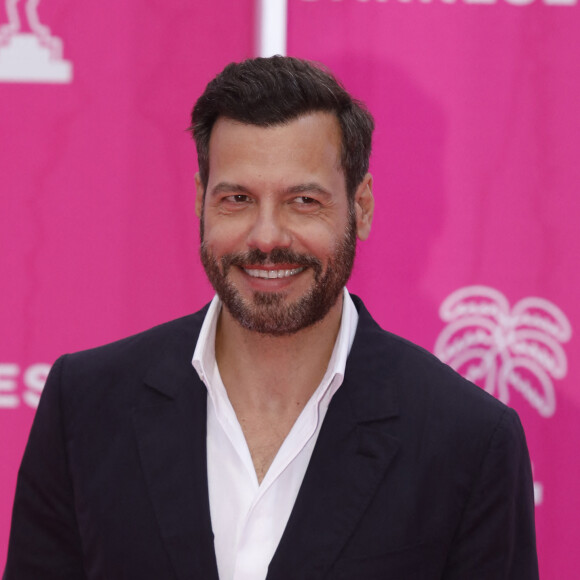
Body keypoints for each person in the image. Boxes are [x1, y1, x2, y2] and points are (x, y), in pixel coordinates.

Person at [4, 56, 538, 580]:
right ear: (200, 202)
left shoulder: (469, 441)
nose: (266, 237)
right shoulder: (86, 405)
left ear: (362, 206)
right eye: (237, 199)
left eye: (303, 201)